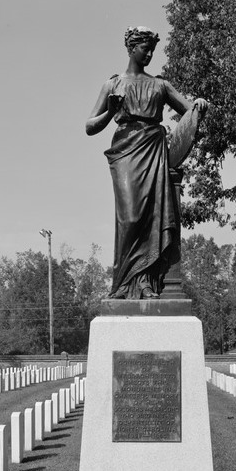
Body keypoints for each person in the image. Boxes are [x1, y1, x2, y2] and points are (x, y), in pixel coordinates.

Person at [86, 26, 208, 299]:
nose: (150, 54)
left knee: (152, 215)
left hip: (154, 149)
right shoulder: (113, 85)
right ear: (131, 48)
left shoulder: (160, 85)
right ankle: (122, 283)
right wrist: (110, 113)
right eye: (145, 48)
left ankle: (144, 281)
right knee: (130, 216)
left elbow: (189, 110)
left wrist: (200, 104)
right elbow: (90, 126)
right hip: (126, 150)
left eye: (153, 49)